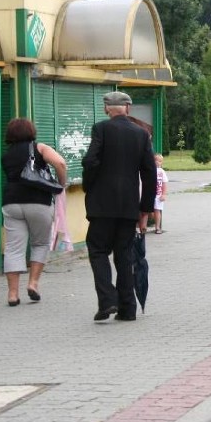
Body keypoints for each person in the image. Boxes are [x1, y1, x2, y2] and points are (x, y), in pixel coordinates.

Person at [82, 91, 156, 322]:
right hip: (128, 206)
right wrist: (145, 209)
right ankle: (127, 309)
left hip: (102, 205)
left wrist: (89, 186)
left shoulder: (101, 129)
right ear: (128, 108)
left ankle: (107, 300)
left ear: (107, 108)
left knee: (97, 250)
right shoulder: (141, 134)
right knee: (124, 255)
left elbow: (90, 161)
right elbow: (150, 173)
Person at [1, 118, 67, 307]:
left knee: (14, 248)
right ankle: (33, 284)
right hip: (39, 202)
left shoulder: (7, 155)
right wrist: (60, 185)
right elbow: (60, 163)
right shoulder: (39, 148)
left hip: (11, 203)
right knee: (40, 243)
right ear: (31, 131)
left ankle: (12, 294)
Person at [152, 153, 168, 234]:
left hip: (158, 195)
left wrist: (164, 194)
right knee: (148, 211)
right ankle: (143, 227)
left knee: (157, 211)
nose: (158, 162)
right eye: (156, 160)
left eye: (160, 161)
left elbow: (165, 183)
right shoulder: (150, 170)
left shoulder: (162, 172)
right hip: (150, 194)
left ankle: (157, 227)